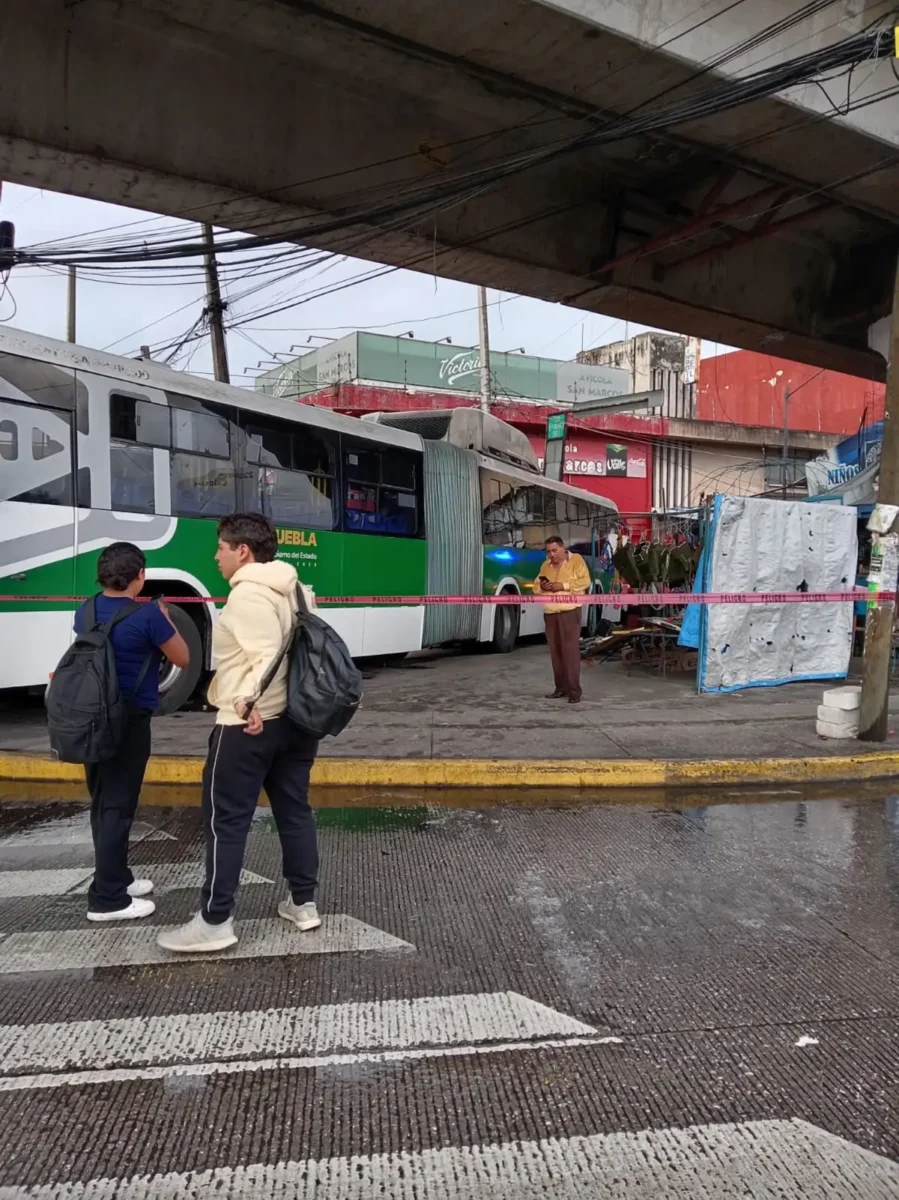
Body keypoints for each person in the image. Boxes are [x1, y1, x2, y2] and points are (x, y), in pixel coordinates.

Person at [158, 512, 320, 954]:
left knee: (225, 820)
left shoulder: (248, 596)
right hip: (297, 722)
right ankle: (303, 903)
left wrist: (249, 700)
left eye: (222, 548)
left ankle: (215, 919)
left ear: (243, 551)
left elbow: (267, 654)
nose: (216, 556)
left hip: (249, 724)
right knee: (294, 810)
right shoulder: (297, 590)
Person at [74, 542, 190, 922]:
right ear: (139, 576)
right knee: (118, 806)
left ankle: (117, 877)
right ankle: (107, 899)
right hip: (128, 721)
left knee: (104, 800)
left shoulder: (86, 609)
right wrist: (165, 618)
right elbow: (182, 658)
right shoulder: (148, 617)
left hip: (90, 717)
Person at [535, 535, 591, 704]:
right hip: (550, 614)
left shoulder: (576, 561)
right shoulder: (545, 565)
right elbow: (535, 586)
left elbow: (585, 582)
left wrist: (563, 586)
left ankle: (575, 691)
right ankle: (561, 688)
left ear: (563, 547)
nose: (552, 555)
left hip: (569, 612)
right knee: (556, 653)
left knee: (570, 652)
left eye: (554, 550)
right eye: (548, 551)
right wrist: (543, 587)